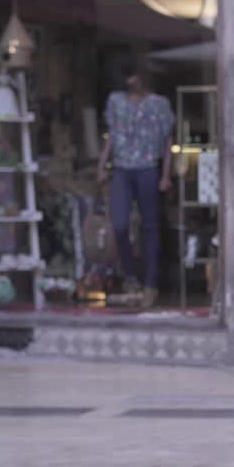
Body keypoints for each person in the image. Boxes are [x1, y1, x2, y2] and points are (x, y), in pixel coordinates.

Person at [98, 67, 175, 308]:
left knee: (150, 226)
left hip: (147, 168)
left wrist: (166, 174)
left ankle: (151, 284)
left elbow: (168, 140)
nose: (132, 80)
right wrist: (102, 164)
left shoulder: (159, 104)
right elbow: (112, 134)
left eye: (136, 76)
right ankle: (131, 277)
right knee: (119, 224)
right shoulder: (116, 101)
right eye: (128, 76)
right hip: (122, 168)